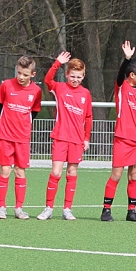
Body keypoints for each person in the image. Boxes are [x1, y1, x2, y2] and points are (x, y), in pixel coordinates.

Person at [39, 52, 93, 221]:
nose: (75, 79)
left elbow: (88, 117)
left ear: (83, 76)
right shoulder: (60, 88)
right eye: (72, 76)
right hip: (60, 137)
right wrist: (57, 63)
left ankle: (67, 209)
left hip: (77, 140)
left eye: (79, 77)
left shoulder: (85, 94)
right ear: (67, 74)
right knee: (56, 172)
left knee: (72, 172)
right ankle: (48, 208)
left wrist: (86, 138)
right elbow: (47, 80)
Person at [103, 41, 136, 223]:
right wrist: (127, 59)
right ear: (132, 75)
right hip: (123, 139)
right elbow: (120, 74)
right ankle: (106, 210)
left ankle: (131, 211)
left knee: (134, 176)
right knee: (116, 175)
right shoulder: (122, 88)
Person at [0, 56, 42, 219]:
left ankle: (19, 208)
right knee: (5, 170)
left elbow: (34, 111)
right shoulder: (6, 85)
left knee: (20, 171)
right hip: (5, 136)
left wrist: (24, 125)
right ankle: (1, 207)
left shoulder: (36, 91)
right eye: (19, 73)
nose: (21, 77)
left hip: (22, 138)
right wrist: (5, 125)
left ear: (32, 74)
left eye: (25, 74)